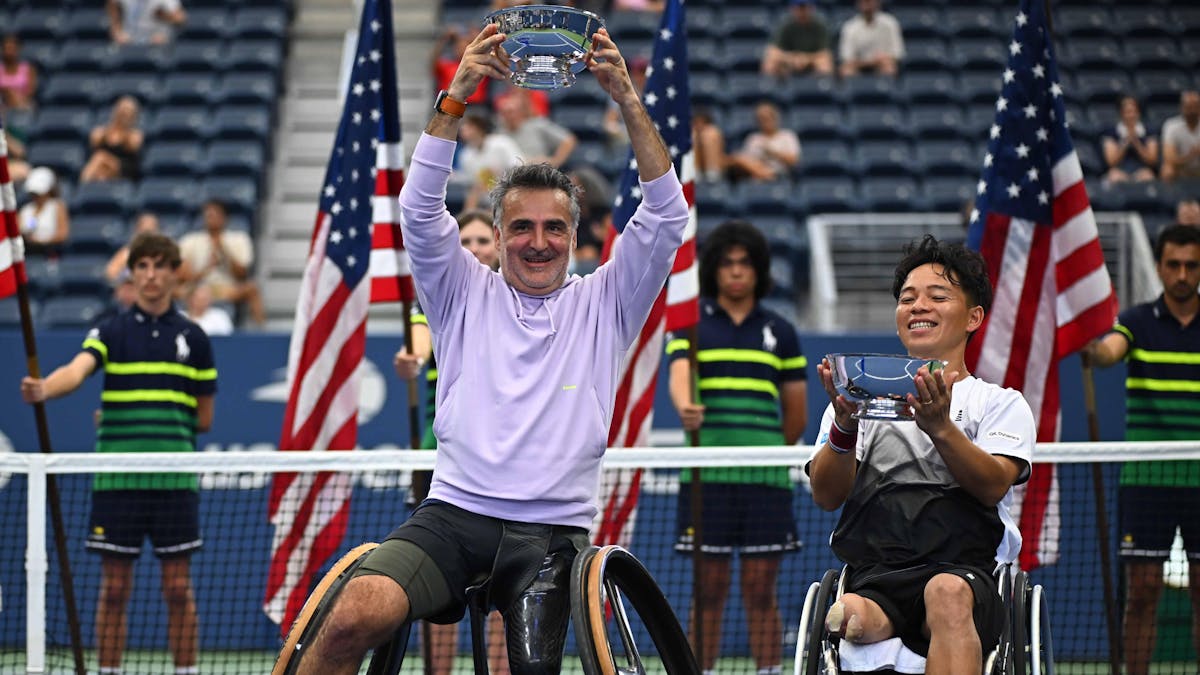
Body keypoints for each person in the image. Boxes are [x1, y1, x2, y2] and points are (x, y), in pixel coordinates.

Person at [281, 23, 688, 675]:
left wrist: (628, 101)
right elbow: (419, 211)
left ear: (575, 237)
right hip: (451, 515)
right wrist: (457, 95)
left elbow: (667, 216)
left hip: (553, 536)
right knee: (351, 614)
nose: (538, 242)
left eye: (554, 227)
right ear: (496, 235)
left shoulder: (607, 300)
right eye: (521, 226)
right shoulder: (460, 290)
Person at [807, 235, 1034, 675]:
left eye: (938, 296)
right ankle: (866, 622)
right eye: (908, 298)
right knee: (849, 615)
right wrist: (845, 426)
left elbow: (992, 486)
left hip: (965, 575)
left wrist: (941, 428)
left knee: (945, 593)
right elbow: (826, 495)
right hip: (877, 577)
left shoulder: (999, 403)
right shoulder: (857, 401)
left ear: (973, 317)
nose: (918, 307)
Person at [19, 232, 217, 675]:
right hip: (117, 482)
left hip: (174, 481)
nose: (150, 275)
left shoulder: (195, 338)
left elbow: (204, 419)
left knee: (178, 588)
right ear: (132, 274)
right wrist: (45, 388)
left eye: (159, 266)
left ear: (174, 273)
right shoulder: (110, 330)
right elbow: (78, 370)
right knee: (113, 589)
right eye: (141, 266)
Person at [667, 220, 807, 675]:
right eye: (726, 263)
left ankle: (769, 671)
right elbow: (679, 375)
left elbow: (796, 416)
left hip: (765, 478)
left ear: (758, 270)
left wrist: (763, 451)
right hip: (706, 477)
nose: (735, 271)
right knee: (707, 590)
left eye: (745, 263)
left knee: (761, 588)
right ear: (713, 270)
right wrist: (685, 406)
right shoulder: (690, 326)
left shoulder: (781, 331)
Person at [393, 209, 509, 675]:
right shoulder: (436, 295)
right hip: (439, 457)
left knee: (507, 580)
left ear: (498, 245)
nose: (475, 248)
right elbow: (419, 341)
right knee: (439, 581)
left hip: (503, 454)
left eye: (483, 240)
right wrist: (412, 358)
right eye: (467, 241)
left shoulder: (518, 298)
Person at [1084, 224, 1200, 675]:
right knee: (1144, 591)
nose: (1182, 274)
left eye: (1191, 265)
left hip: (1198, 478)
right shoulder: (1136, 321)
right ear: (1160, 267)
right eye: (1174, 265)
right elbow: (1109, 352)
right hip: (1147, 479)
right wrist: (1093, 351)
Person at [178, 200, 265, 326]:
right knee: (169, 290)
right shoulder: (190, 240)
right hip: (195, 289)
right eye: (208, 215)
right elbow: (183, 276)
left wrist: (223, 251)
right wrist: (207, 269)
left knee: (252, 289)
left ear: (225, 218)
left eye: (215, 215)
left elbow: (242, 274)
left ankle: (260, 329)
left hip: (226, 288)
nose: (211, 219)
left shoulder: (239, 239)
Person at [455, 113, 523, 211]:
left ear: (479, 127)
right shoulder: (465, 155)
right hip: (486, 203)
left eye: (469, 126)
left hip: (512, 194)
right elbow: (472, 184)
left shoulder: (502, 143)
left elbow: (519, 166)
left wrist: (500, 175)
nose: (463, 129)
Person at [495, 88, 576, 168]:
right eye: (504, 112)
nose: (508, 116)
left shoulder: (537, 124)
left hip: (536, 171)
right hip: (510, 172)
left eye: (511, 112)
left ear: (520, 111)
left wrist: (555, 161)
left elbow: (568, 140)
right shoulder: (499, 133)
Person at [727, 101, 801, 183]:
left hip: (780, 174)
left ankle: (769, 175)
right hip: (755, 175)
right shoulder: (753, 138)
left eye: (767, 118)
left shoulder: (787, 136)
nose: (764, 122)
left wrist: (771, 152)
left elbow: (793, 160)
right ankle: (765, 175)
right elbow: (747, 160)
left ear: (775, 118)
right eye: (760, 119)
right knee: (736, 159)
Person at [761, 0, 834, 78]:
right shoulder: (785, 24)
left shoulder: (819, 26)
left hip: (811, 62)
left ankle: (821, 85)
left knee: (824, 63)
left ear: (812, 8)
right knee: (770, 63)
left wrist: (806, 59)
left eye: (804, 7)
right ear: (792, 8)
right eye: (799, 8)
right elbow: (773, 51)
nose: (802, 11)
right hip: (789, 62)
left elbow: (825, 53)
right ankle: (770, 85)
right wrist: (792, 58)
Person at [80, 95, 144, 184]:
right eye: (123, 109)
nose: (125, 113)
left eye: (129, 111)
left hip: (123, 169)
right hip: (102, 169)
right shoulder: (101, 133)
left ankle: (83, 184)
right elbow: (93, 143)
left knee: (100, 157)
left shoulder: (135, 135)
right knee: (101, 171)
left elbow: (133, 147)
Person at [837, 0, 905, 78]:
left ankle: (886, 85)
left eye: (870, 1)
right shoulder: (849, 27)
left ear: (877, 2)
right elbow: (847, 58)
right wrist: (870, 62)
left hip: (882, 65)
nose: (867, 4)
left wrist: (883, 58)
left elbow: (897, 54)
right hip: (858, 67)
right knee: (846, 70)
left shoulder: (890, 23)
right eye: (864, 1)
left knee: (889, 67)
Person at [1101, 95, 1159, 184]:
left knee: (1148, 177)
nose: (1131, 115)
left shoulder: (1149, 132)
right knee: (1114, 176)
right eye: (1127, 112)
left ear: (1139, 113)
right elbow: (1111, 162)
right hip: (1119, 170)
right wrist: (1126, 141)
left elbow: (1152, 161)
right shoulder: (1110, 132)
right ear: (1121, 113)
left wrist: (1136, 142)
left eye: (1134, 112)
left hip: (1142, 171)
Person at [17, 166, 70, 254]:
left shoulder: (57, 206)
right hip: (27, 253)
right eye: (33, 193)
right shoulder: (25, 210)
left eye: (38, 193)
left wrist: (41, 241)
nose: (36, 196)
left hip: (50, 253)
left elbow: (63, 234)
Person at [106, 212, 162, 286]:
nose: (148, 236)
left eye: (151, 231)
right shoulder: (126, 254)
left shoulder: (167, 253)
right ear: (137, 231)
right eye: (144, 231)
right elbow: (110, 274)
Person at [107, 0, 187, 46]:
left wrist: (163, 15)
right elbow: (112, 5)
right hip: (129, 38)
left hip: (157, 38)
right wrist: (117, 32)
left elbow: (180, 18)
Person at [1161, 90, 1200, 183]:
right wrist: (1191, 155)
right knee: (1167, 170)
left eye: (1195, 107)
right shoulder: (1171, 125)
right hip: (1180, 168)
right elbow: (1169, 158)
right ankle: (1169, 192)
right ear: (1182, 107)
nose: (1192, 111)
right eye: (1189, 107)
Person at [0, 34, 37, 111]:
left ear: (18, 49)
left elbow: (31, 92)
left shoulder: (29, 69)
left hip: (23, 104)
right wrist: (7, 92)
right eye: (6, 48)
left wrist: (12, 95)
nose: (9, 52)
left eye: (12, 48)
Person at [693, 107, 728, 184]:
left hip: (717, 169)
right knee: (693, 136)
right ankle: (695, 171)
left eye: (702, 123)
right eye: (696, 123)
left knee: (709, 135)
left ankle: (712, 171)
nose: (699, 126)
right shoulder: (693, 134)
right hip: (696, 173)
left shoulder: (713, 132)